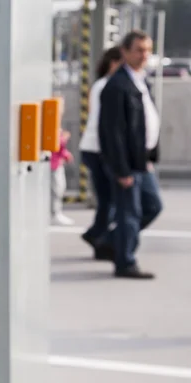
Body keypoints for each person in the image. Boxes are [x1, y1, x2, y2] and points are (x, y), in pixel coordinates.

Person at [98, 30, 163, 279]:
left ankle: (111, 241)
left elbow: (146, 122)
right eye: (139, 50)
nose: (144, 55)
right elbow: (112, 133)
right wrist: (121, 170)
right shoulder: (116, 86)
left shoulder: (140, 80)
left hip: (141, 160)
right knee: (129, 212)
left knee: (153, 205)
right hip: (126, 163)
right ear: (124, 52)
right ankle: (125, 261)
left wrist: (148, 158)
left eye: (147, 50)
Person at [79, 46, 123, 260]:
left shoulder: (102, 85)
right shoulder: (106, 86)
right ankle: (98, 236)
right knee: (109, 199)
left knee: (108, 199)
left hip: (95, 147)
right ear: (112, 63)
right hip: (97, 148)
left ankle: (99, 236)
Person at [51, 128, 74, 225]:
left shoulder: (56, 127)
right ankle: (55, 214)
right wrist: (63, 138)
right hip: (53, 164)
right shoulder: (52, 126)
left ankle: (56, 213)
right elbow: (56, 145)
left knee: (59, 189)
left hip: (56, 164)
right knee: (56, 190)